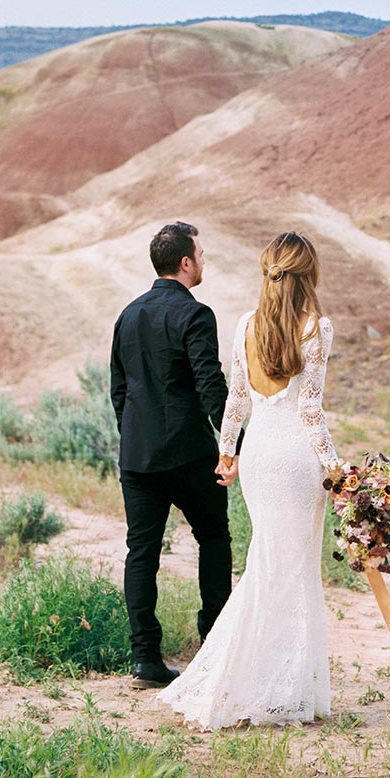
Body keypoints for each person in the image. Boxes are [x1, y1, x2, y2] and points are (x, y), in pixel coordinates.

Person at [157, 231, 339, 729]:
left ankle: (263, 681)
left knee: (267, 565)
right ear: (308, 274)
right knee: (294, 570)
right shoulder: (316, 329)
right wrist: (337, 469)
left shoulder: (244, 326)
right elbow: (310, 410)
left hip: (259, 457)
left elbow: (237, 399)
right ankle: (277, 687)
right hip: (296, 461)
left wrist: (227, 453)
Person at [110, 221, 233, 688]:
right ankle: (213, 645)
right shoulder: (196, 315)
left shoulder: (128, 315)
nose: (204, 261)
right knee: (214, 539)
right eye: (200, 254)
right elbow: (210, 387)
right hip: (188, 453)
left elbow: (118, 389)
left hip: (137, 456)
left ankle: (145, 658)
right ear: (185, 262)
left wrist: (134, 435)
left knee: (141, 552)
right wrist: (231, 447)